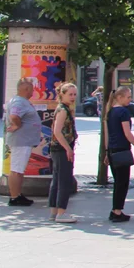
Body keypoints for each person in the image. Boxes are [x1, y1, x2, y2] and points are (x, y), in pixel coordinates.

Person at [105, 86, 134, 222]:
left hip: (112, 150)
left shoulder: (110, 112)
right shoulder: (123, 112)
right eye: (128, 97)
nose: (130, 99)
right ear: (120, 97)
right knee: (122, 183)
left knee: (118, 182)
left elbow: (108, 133)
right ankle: (117, 211)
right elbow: (127, 133)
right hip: (122, 149)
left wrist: (106, 152)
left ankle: (115, 209)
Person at [4, 78, 42, 206]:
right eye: (32, 89)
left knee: (19, 169)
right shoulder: (19, 102)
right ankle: (14, 197)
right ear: (26, 89)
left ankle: (18, 195)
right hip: (21, 141)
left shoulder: (21, 101)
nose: (33, 92)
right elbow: (14, 116)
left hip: (23, 140)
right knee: (16, 170)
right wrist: (17, 125)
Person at [49, 83, 79, 223]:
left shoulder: (64, 108)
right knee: (64, 180)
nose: (73, 97)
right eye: (70, 94)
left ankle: (54, 212)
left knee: (57, 179)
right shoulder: (63, 110)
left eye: (74, 94)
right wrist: (68, 148)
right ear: (62, 94)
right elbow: (57, 131)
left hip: (58, 148)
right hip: (61, 149)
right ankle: (61, 212)